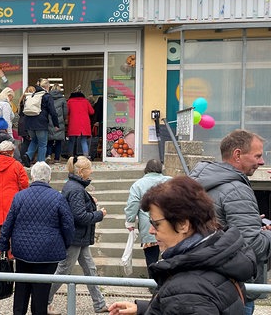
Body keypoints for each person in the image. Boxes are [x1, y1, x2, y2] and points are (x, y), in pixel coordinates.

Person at [109, 176, 257, 315]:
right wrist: (145, 309)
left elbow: (188, 300)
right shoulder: (216, 257)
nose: (151, 230)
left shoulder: (188, 290)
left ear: (183, 225)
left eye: (156, 223)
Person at [189, 129, 270, 314]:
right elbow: (252, 246)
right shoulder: (236, 190)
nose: (262, 162)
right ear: (238, 155)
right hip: (232, 291)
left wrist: (251, 221)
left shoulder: (197, 183)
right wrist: (267, 234)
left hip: (203, 285)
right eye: (257, 156)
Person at [0, 161, 74, 315]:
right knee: (41, 293)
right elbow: (68, 225)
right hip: (48, 252)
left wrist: (3, 246)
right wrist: (65, 245)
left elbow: (8, 223)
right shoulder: (57, 198)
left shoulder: (19, 196)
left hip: (22, 251)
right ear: (49, 178)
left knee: (21, 289)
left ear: (31, 177)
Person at [47, 156, 108, 315]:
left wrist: (90, 202)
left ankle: (100, 303)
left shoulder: (75, 187)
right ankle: (43, 301)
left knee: (90, 269)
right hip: (75, 237)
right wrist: (99, 214)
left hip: (79, 237)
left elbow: (77, 209)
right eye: (89, 168)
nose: (92, 171)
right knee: (63, 271)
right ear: (81, 172)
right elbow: (80, 216)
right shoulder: (76, 189)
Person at [124, 159, 171, 279]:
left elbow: (133, 204)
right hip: (170, 224)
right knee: (171, 255)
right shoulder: (171, 181)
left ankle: (153, 283)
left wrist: (130, 221)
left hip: (149, 225)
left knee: (151, 258)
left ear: (146, 170)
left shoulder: (138, 184)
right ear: (161, 169)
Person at [0, 140, 29, 255]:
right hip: (13, 199)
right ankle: (10, 251)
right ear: (11, 152)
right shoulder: (17, 165)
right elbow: (24, 184)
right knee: (12, 225)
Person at [21, 79, 59, 167]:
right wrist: (56, 124)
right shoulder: (46, 96)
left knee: (34, 140)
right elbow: (53, 111)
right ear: (47, 86)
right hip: (41, 124)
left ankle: (27, 155)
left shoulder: (32, 95)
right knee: (42, 144)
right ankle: (40, 164)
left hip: (29, 123)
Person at [67, 89, 94, 158]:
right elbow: (92, 112)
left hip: (73, 123)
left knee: (71, 141)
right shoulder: (86, 101)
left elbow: (66, 112)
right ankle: (86, 156)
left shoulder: (70, 101)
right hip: (84, 124)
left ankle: (70, 156)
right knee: (83, 141)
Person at [46, 84, 67, 164]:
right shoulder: (62, 99)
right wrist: (63, 119)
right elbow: (65, 112)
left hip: (49, 121)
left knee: (49, 140)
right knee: (58, 141)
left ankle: (48, 155)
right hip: (59, 122)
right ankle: (57, 159)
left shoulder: (48, 98)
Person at [17, 86, 35, 157]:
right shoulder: (29, 100)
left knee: (25, 141)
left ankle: (23, 157)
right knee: (27, 142)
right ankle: (24, 158)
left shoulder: (22, 100)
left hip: (21, 122)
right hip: (27, 123)